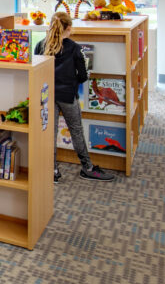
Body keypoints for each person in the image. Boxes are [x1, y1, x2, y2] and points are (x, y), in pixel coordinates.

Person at [34, 11, 114, 182]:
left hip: (47, 95)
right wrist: (71, 81)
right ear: (69, 28)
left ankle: (52, 170)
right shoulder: (74, 47)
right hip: (68, 95)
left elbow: (36, 70)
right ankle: (87, 168)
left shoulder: (41, 45)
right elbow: (83, 76)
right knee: (76, 130)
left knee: (50, 133)